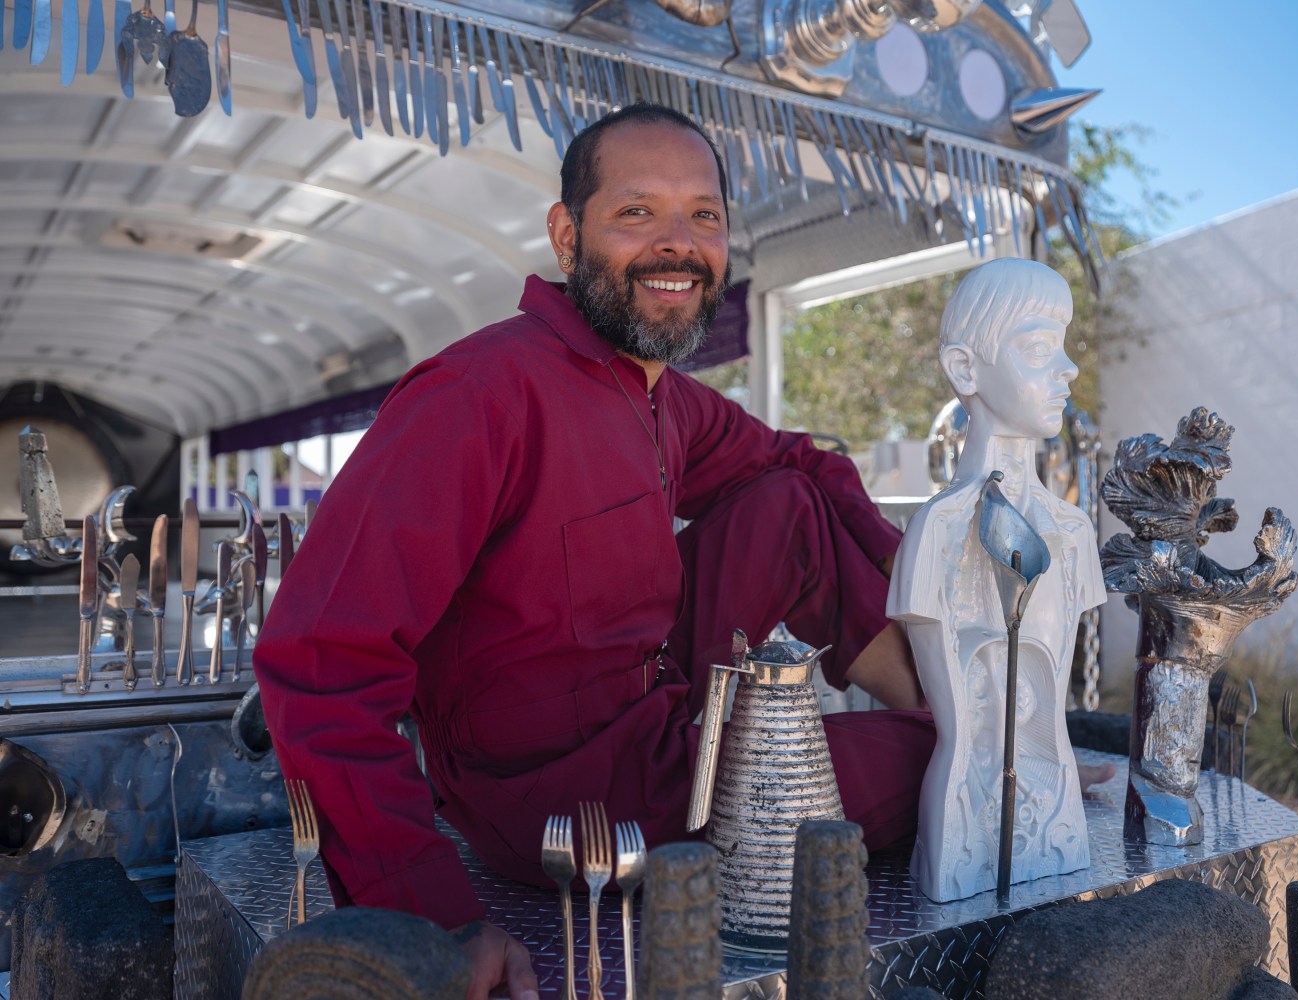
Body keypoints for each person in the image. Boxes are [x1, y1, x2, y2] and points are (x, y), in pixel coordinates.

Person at [254, 103, 934, 1000]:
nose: (677, 242)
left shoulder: (661, 396)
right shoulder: (479, 394)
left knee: (788, 505)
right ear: (567, 238)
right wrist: (432, 921)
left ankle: (953, 709)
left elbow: (795, 462)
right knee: (942, 770)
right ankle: (960, 746)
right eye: (636, 212)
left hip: (665, 721)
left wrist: (913, 567)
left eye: (703, 214)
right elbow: (319, 661)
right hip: (564, 809)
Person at [885, 258, 1110, 902]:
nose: (1068, 369)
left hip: (1057, 834)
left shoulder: (1071, 530)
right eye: (1039, 349)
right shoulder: (936, 531)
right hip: (962, 842)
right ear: (965, 369)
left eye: (1063, 347)